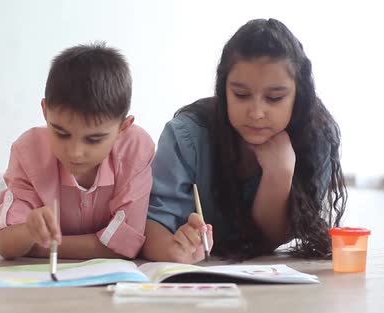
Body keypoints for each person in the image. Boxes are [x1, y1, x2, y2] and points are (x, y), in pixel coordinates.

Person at [142, 19, 347, 264]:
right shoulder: (186, 136)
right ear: (223, 89)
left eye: (274, 98)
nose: (257, 112)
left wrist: (278, 174)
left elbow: (268, 241)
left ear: (298, 95)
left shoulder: (316, 138)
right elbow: (153, 223)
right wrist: (172, 251)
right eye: (240, 95)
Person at [0, 43, 155, 260]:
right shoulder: (28, 151)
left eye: (94, 139)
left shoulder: (136, 149)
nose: (75, 152)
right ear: (44, 111)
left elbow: (125, 247)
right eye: (61, 133)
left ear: (123, 128)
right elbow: (5, 244)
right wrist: (27, 231)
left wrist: (36, 246)